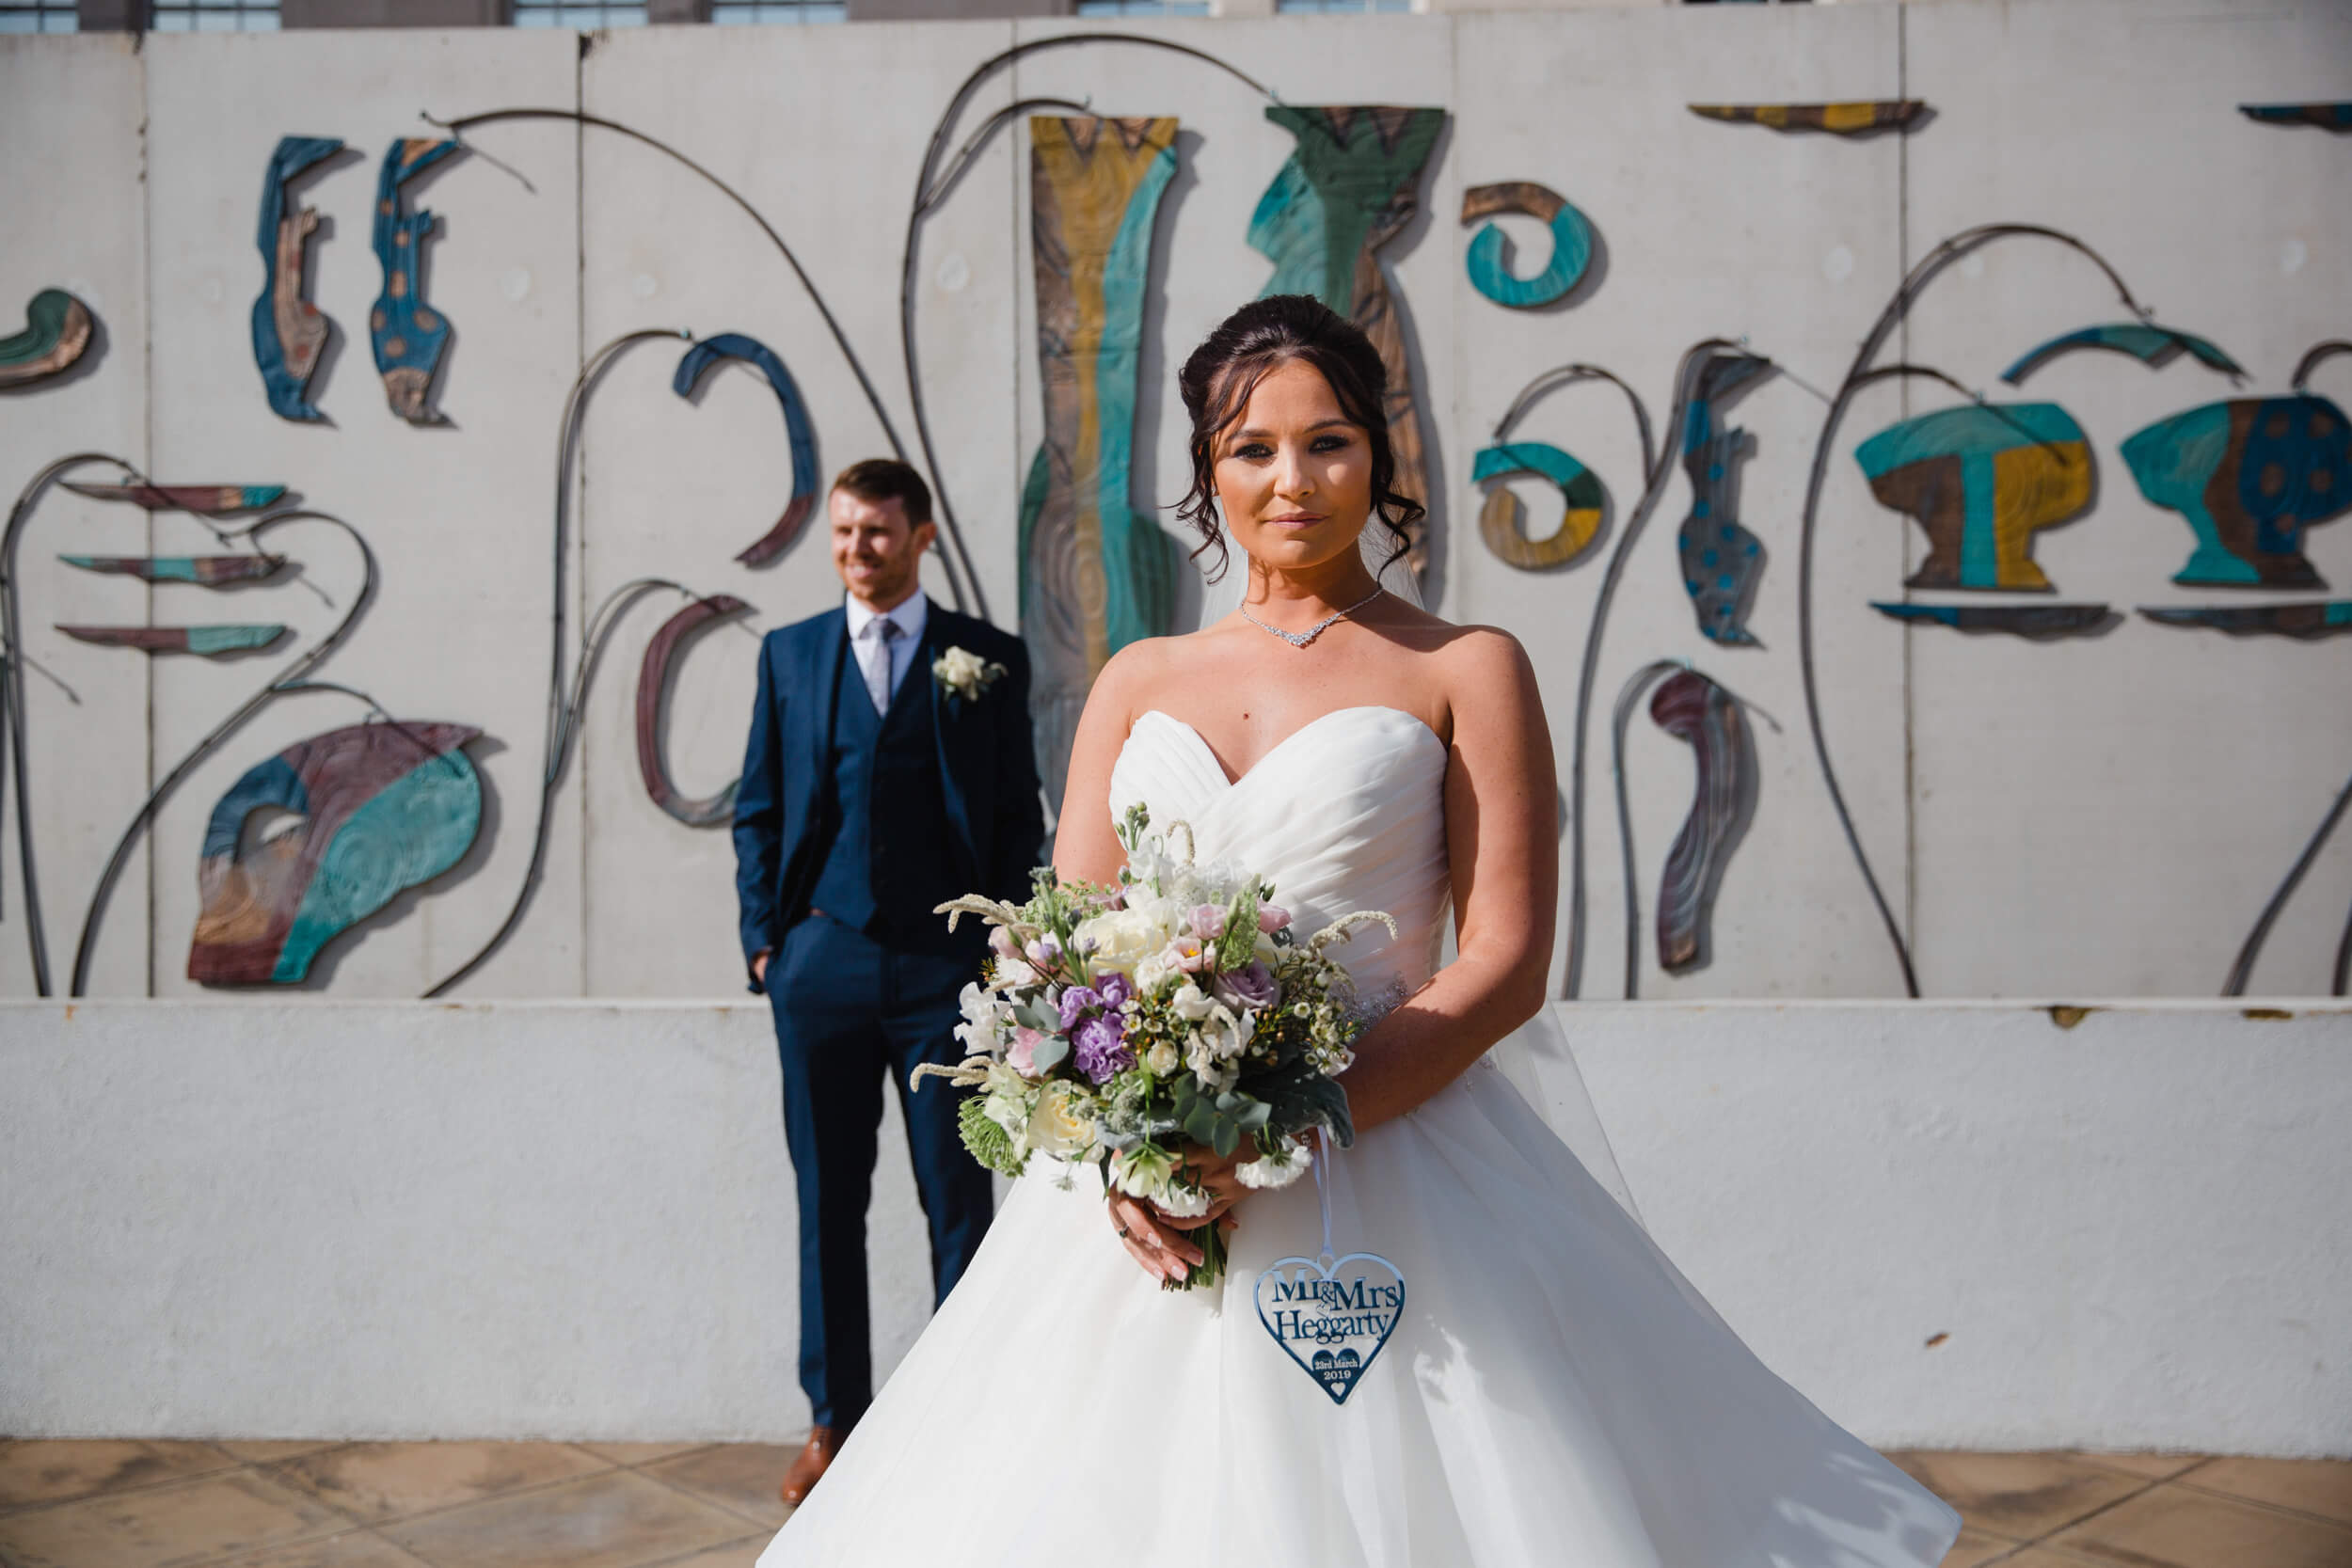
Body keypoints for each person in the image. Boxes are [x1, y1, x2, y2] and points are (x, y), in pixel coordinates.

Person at [755, 301, 1963, 1565]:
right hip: (1141, 1196)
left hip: (1390, 1151)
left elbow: (1504, 960)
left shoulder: (1465, 665)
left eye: (1327, 442)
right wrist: (1124, 1148)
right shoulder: (1137, 679)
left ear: (1379, 456)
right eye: (1252, 449)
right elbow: (1059, 951)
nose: (1292, 480)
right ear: (1206, 471)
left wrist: (1287, 1119)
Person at [733, 457, 1043, 1506]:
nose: (856, 551)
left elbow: (1015, 815)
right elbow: (760, 809)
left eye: (876, 532)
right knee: (828, 1197)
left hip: (943, 973)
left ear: (921, 537)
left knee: (958, 1196)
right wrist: (767, 948)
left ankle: (962, 1415)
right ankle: (835, 1421)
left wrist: (1002, 949)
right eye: (843, 533)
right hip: (820, 963)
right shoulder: (789, 654)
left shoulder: (985, 659)